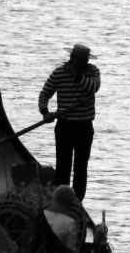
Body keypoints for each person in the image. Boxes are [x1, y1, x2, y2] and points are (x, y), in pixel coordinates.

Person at [38, 43, 101, 201]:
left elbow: (95, 87)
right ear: (72, 58)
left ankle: (77, 201)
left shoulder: (92, 71)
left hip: (84, 127)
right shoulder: (59, 73)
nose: (81, 63)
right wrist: (45, 112)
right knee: (63, 167)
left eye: (83, 60)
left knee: (80, 168)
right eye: (78, 59)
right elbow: (44, 94)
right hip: (64, 126)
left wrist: (77, 76)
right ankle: (60, 200)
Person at [43, 185, 82, 250]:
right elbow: (71, 250)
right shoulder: (70, 222)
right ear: (70, 203)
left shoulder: (42, 214)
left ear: (55, 198)